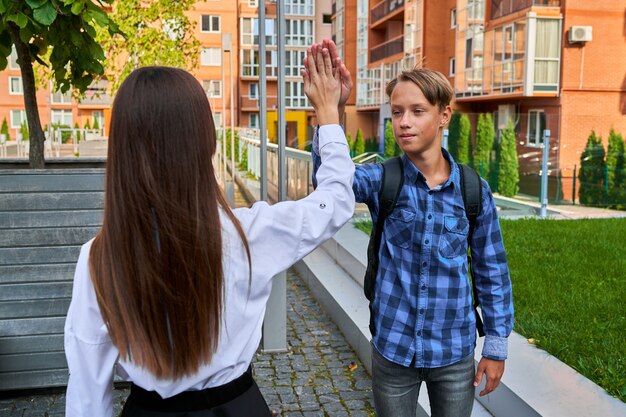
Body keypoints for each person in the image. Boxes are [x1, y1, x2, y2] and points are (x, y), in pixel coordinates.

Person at [64, 47, 354, 417]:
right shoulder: (247, 235)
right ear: (207, 142)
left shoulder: (99, 258)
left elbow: (88, 393)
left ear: (121, 148)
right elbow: (335, 201)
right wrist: (329, 114)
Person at [310, 40, 514, 417]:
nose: (404, 121)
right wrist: (333, 110)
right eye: (398, 111)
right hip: (393, 348)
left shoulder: (473, 190)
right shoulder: (382, 179)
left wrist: (495, 347)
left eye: (418, 111)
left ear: (443, 115)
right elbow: (330, 183)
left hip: (454, 354)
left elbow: (492, 270)